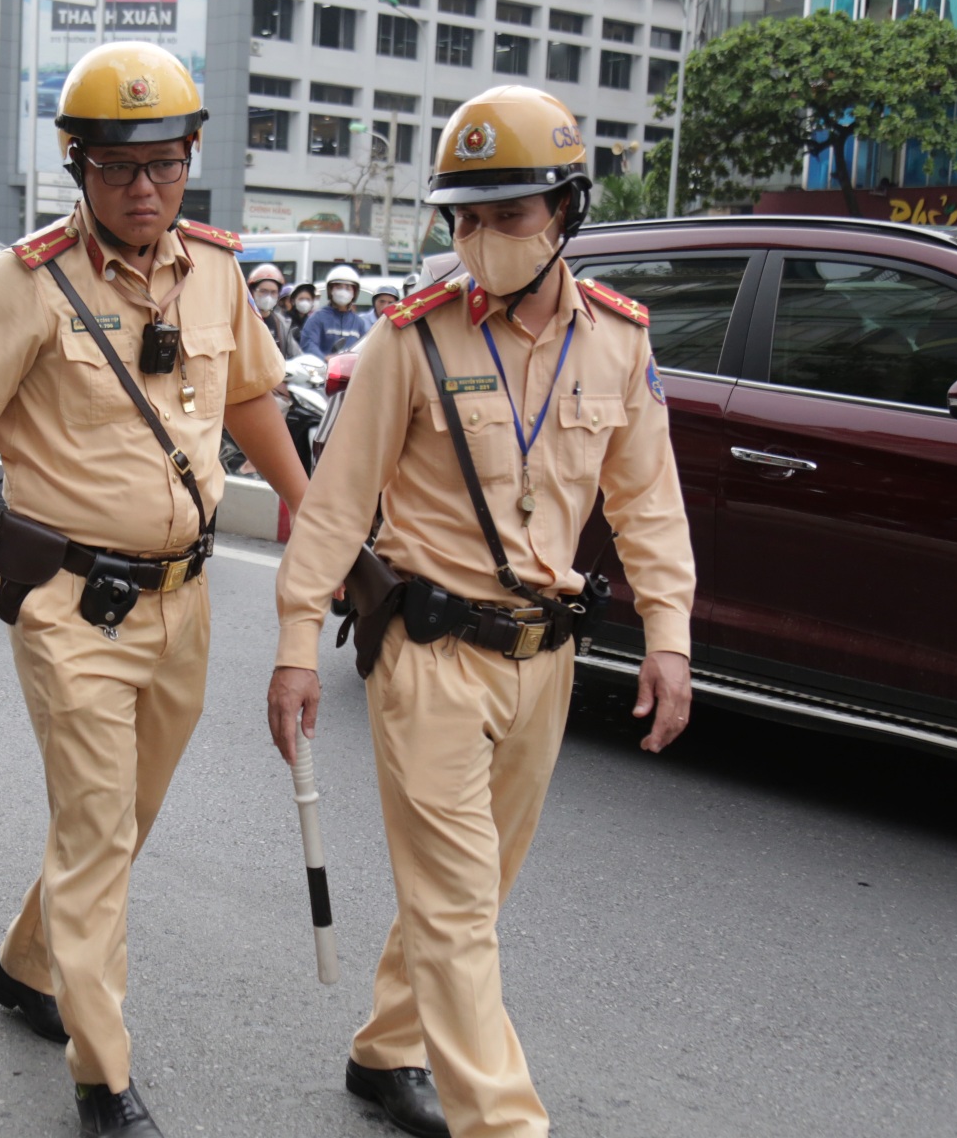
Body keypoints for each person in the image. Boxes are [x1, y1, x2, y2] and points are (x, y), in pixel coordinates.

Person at [0, 42, 309, 1138]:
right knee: (97, 824)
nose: (143, 188)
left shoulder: (215, 271)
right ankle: (101, 1074)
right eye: (118, 167)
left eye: (163, 165)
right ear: (76, 165)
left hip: (186, 598)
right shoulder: (23, 285)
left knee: (124, 819)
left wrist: (308, 504)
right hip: (71, 605)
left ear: (191, 159)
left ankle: (29, 964)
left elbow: (254, 396)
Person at [265, 86, 696, 1138]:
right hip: (431, 656)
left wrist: (670, 639)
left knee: (475, 888)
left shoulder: (619, 345)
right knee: (460, 905)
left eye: (506, 215)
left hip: (545, 660)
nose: (481, 240)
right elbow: (335, 508)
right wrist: (290, 650)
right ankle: (504, 1122)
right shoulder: (411, 341)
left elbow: (649, 504)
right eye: (464, 219)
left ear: (565, 212)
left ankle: (386, 1047)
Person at [299, 263, 372, 357]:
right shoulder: (318, 318)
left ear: (354, 292)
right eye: (339, 287)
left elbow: (365, 349)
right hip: (324, 369)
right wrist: (324, 358)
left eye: (348, 287)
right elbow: (308, 344)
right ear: (330, 290)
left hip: (350, 370)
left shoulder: (359, 323)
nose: (343, 291)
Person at [248, 262, 301, 357]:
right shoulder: (242, 320)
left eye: (273, 292)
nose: (268, 296)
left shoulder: (282, 323)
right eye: (263, 291)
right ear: (252, 292)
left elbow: (297, 354)